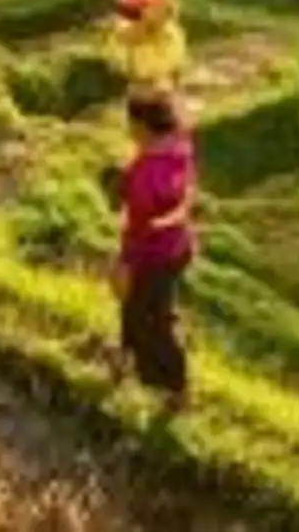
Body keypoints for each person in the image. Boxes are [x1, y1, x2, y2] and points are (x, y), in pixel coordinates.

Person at [110, 91, 196, 416]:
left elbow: (140, 228)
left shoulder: (146, 171)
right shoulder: (179, 148)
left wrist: (124, 262)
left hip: (154, 255)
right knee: (134, 307)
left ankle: (179, 387)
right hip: (179, 246)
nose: (128, 129)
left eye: (131, 123)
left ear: (143, 126)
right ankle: (123, 360)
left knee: (156, 322)